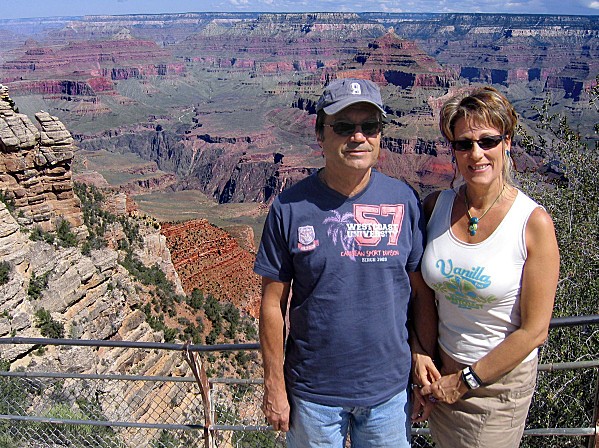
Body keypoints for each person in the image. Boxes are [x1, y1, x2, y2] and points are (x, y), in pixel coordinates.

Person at [254, 77, 433, 447]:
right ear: (321, 136)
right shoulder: (289, 208)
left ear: (380, 135)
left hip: (389, 393)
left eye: (369, 127)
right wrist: (273, 384)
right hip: (312, 396)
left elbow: (420, 293)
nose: (358, 137)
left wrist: (423, 357)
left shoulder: (404, 200)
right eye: (343, 127)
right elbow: (272, 304)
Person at [412, 86, 560, 447]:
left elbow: (534, 332)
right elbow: (421, 295)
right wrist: (420, 353)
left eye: (488, 141)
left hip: (496, 387)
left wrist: (464, 382)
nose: (476, 153)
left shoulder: (533, 223)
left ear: (507, 142)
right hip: (439, 377)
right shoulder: (436, 207)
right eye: (464, 144)